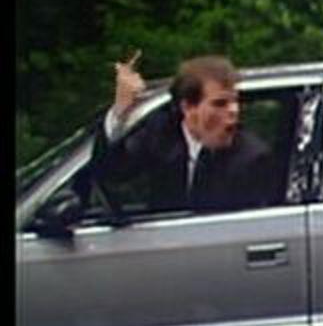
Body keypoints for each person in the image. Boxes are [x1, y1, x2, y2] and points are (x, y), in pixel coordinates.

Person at [92, 52, 278, 213]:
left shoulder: (251, 158)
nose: (234, 111)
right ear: (188, 107)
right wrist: (120, 110)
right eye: (220, 103)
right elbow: (111, 172)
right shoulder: (161, 136)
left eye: (235, 101)